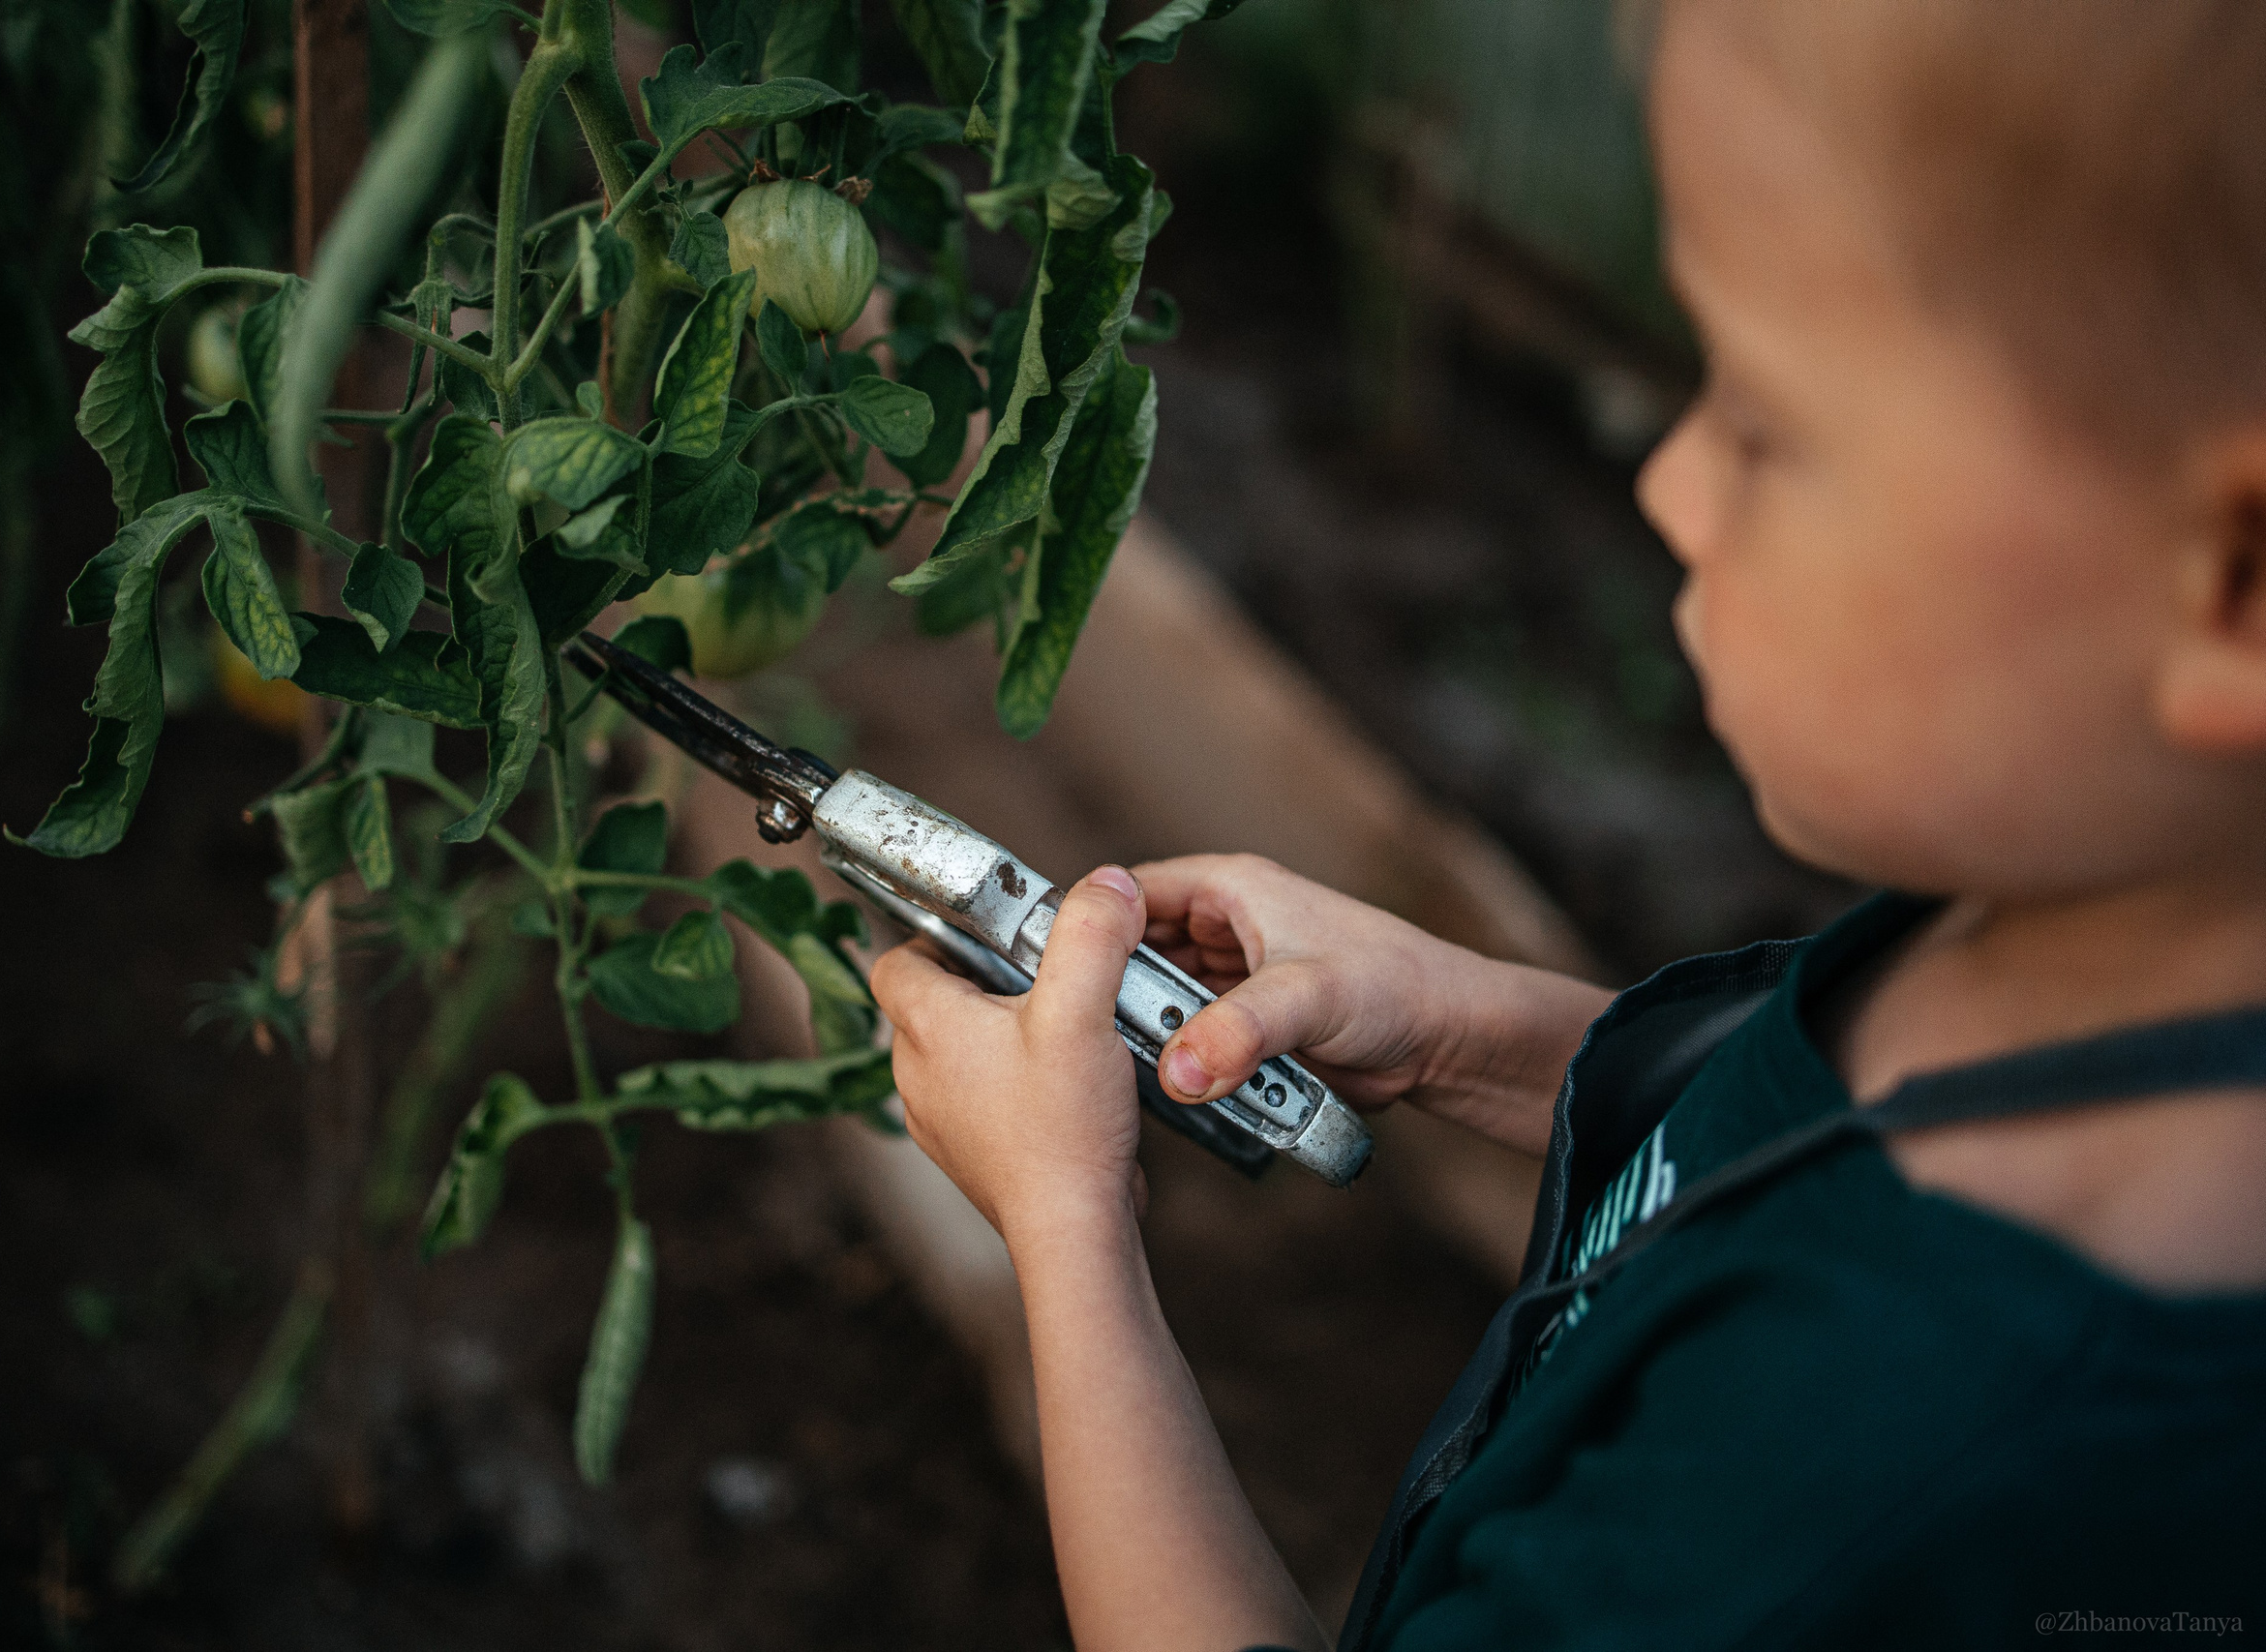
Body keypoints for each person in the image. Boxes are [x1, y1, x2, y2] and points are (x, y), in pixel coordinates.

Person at [869, 1, 2266, 1645]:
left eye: (1766, 429)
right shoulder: (2088, 937)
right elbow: (1775, 1138)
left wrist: (1062, 1230)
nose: (1669, 487)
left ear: (2236, 590)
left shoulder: (1849, 1464)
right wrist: (1491, 1039)